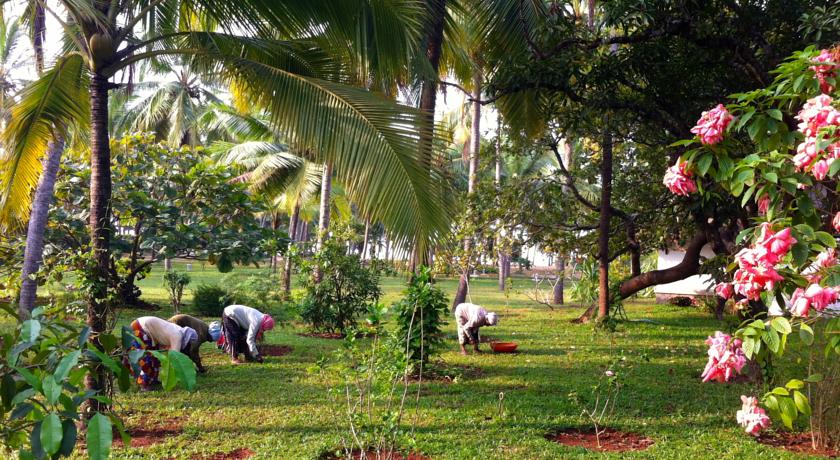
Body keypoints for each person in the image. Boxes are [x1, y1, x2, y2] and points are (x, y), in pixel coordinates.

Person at [126, 316, 199, 390]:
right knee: (146, 358)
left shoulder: (178, 330)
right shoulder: (177, 336)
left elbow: (164, 343)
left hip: (148, 330)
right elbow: (174, 357)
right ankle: (144, 384)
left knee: (155, 357)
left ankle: (152, 380)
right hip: (140, 327)